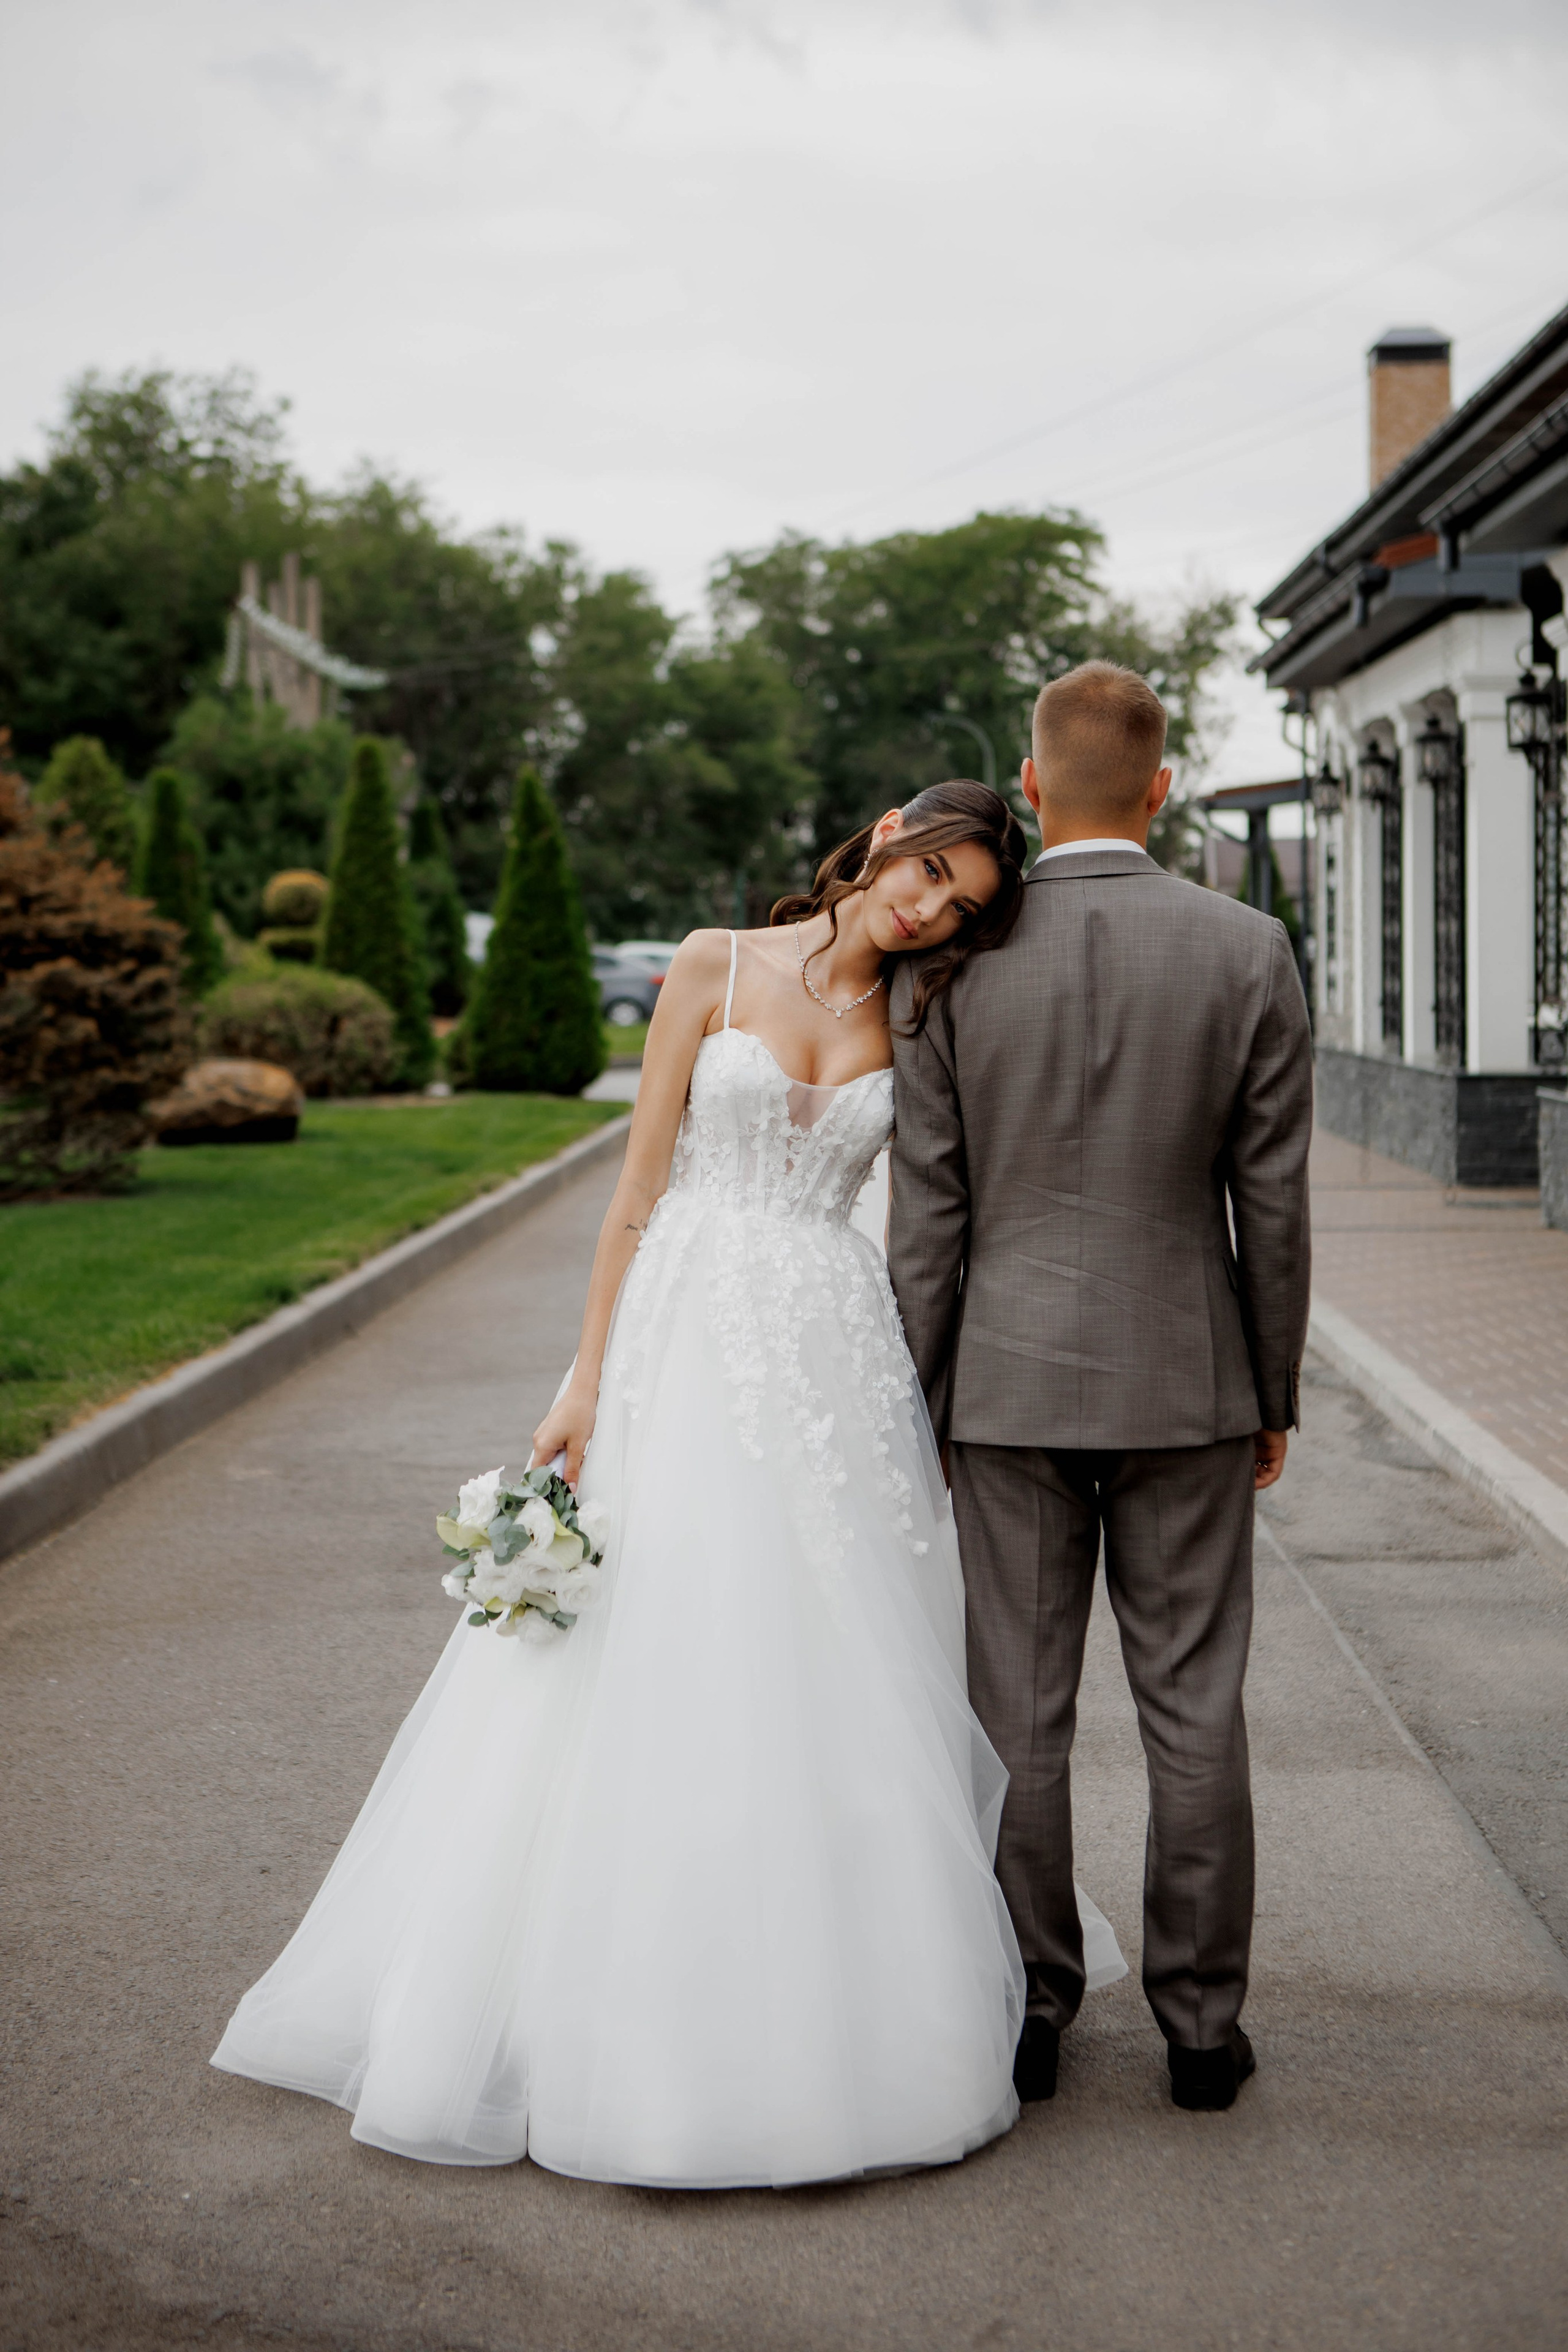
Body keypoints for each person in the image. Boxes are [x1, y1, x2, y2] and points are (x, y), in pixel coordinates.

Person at [211, 777, 1126, 2187]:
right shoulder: (714, 963)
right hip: (682, 1333)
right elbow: (638, 1191)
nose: (930, 911)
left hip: (837, 1351)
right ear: (890, 835)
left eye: (961, 907)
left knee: (833, 1659)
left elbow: (952, 1206)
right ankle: (589, 2013)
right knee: (652, 1632)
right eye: (932, 874)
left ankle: (834, 2012)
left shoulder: (929, 1012)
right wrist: (583, 1380)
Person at [889, 663, 1313, 2114]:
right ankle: (1199, 2029)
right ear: (1161, 787)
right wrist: (1269, 1390)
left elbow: (928, 1217)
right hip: (1188, 1385)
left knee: (1016, 1713)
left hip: (1002, 1391)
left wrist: (916, 1400)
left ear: (1025, 786)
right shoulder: (1246, 947)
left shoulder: (949, 960)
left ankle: (1030, 2008)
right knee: (1193, 1704)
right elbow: (1272, 1201)